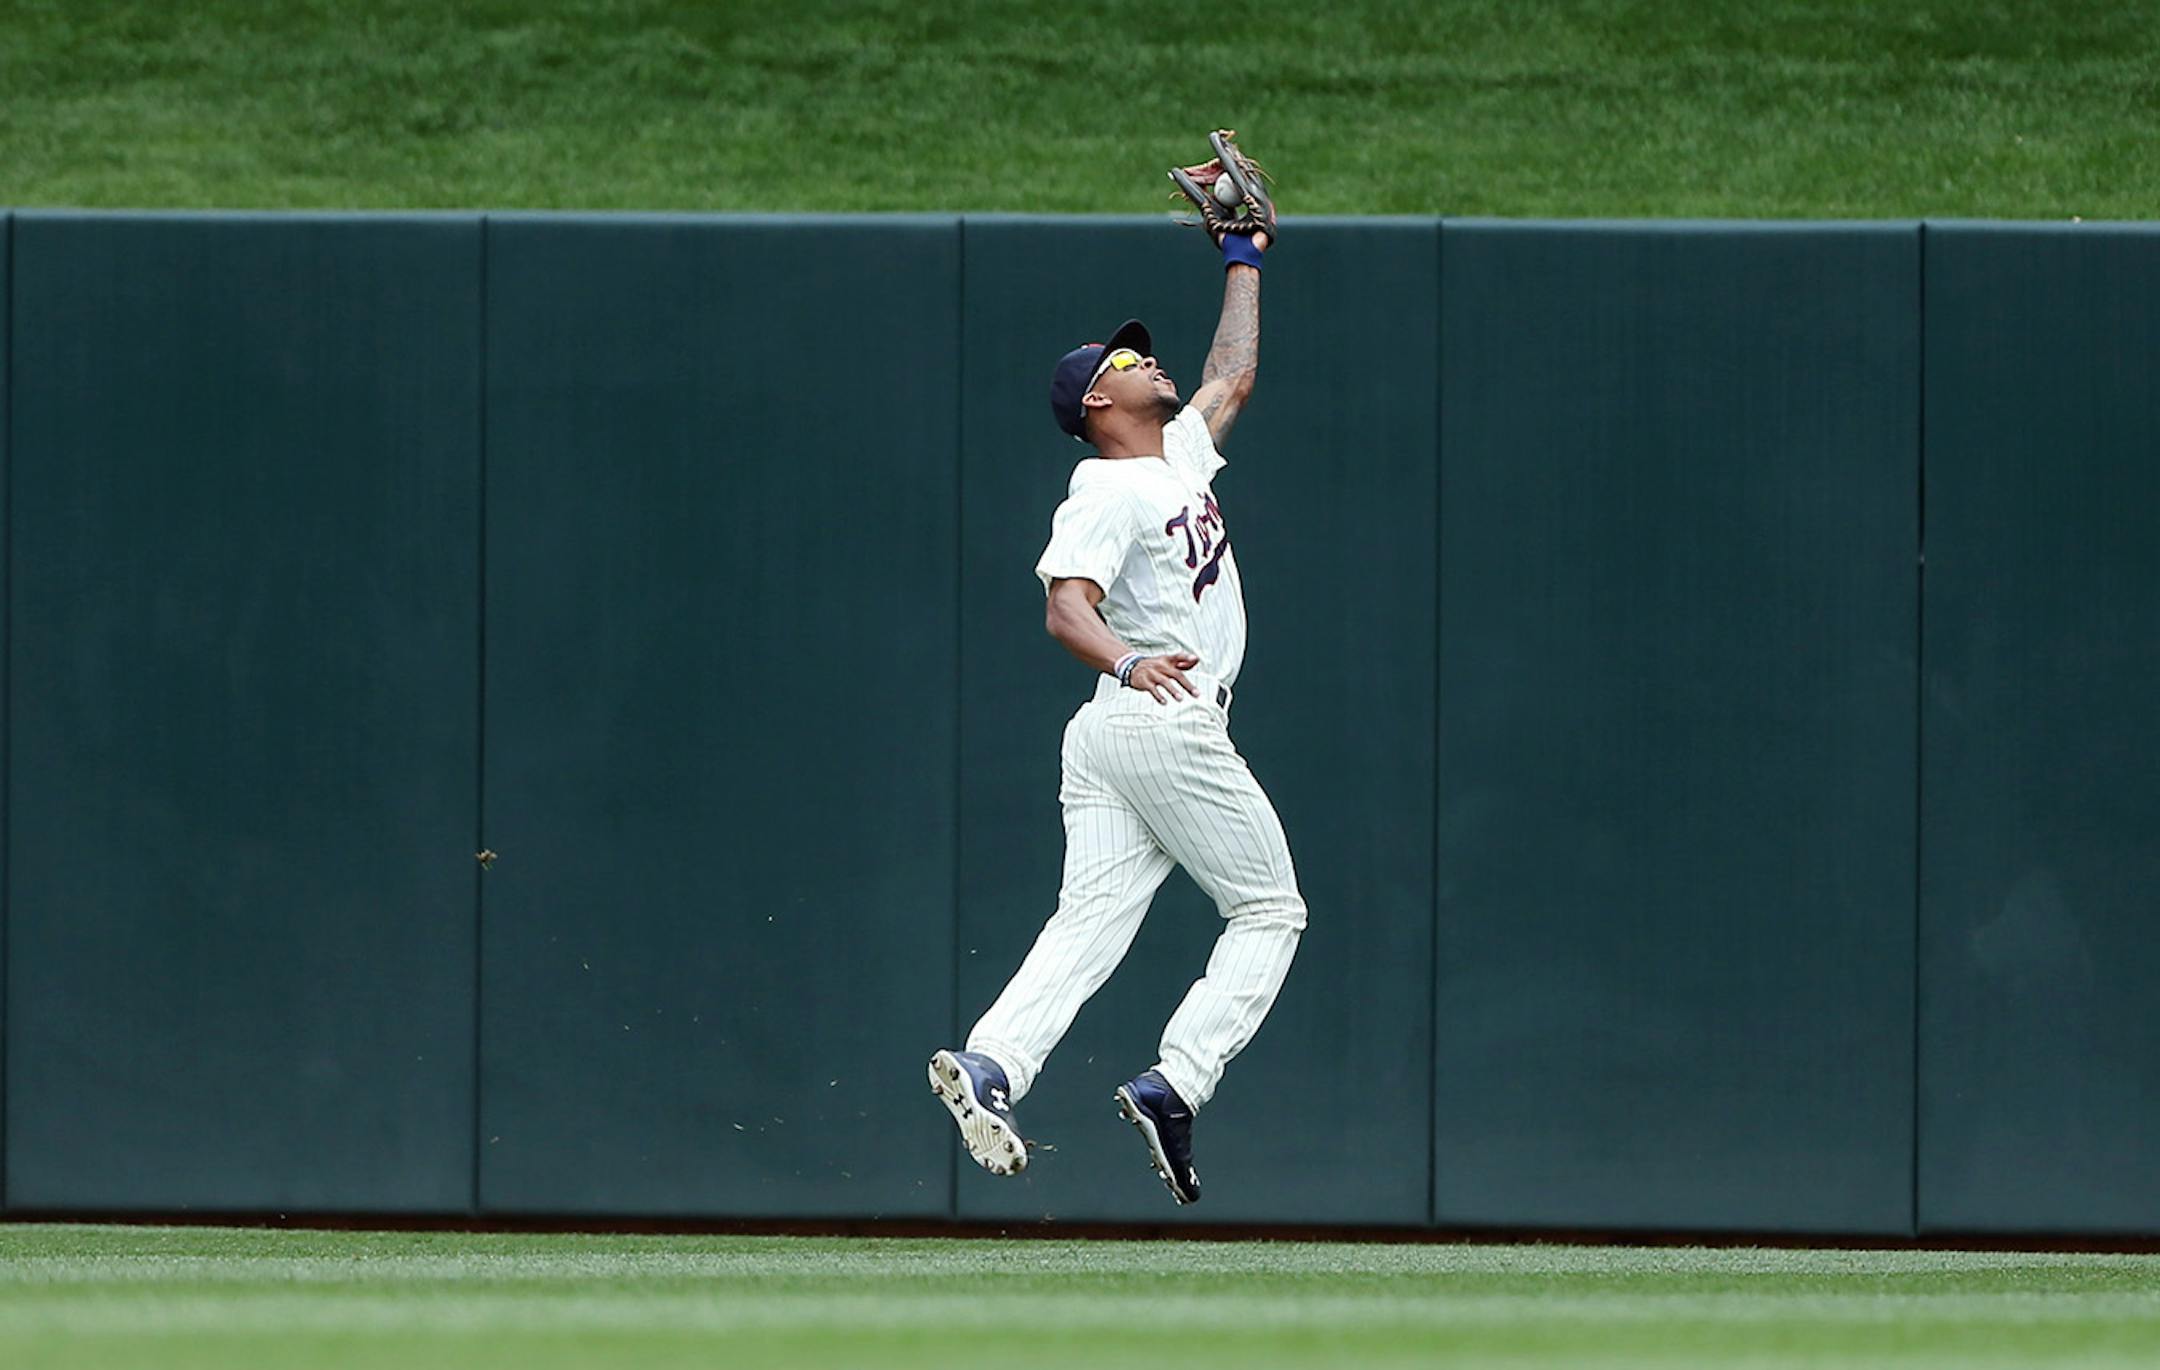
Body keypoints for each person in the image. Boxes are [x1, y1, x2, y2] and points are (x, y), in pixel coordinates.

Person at [929, 224, 1307, 1206]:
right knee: (1269, 907)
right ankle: (1177, 1083)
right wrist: (1131, 656)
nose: (1151, 358)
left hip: (1112, 737)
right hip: (1162, 711)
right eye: (1129, 358)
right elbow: (1066, 605)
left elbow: (1232, 373)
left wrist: (1245, 254)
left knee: (1092, 911)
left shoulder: (1175, 454)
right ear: (1099, 399)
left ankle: (991, 1063)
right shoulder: (1103, 483)